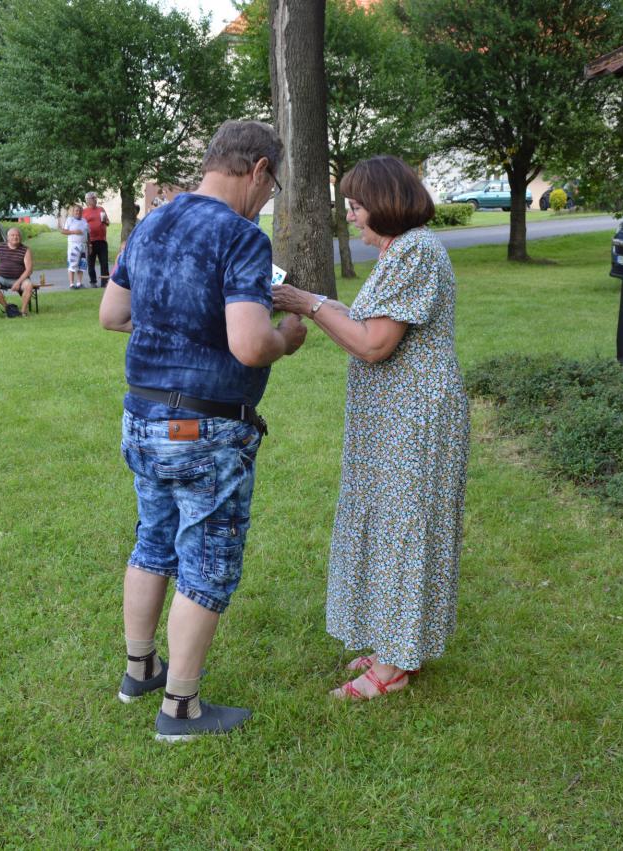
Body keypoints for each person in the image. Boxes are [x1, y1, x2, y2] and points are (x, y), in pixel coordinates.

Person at [98, 119, 306, 741]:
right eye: (271, 187)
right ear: (259, 170)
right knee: (207, 561)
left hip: (143, 418)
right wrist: (287, 338)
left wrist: (180, 322)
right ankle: (181, 708)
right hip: (205, 429)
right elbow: (250, 345)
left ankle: (140, 671)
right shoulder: (241, 237)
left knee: (153, 542)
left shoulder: (151, 223)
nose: (266, 200)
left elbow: (113, 313)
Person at [271, 155, 470, 701]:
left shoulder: (414, 251)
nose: (352, 217)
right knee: (388, 524)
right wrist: (319, 304)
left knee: (404, 529)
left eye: (357, 206)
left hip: (414, 420)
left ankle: (394, 665)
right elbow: (364, 323)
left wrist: (307, 304)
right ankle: (393, 642)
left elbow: (374, 344)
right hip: (394, 419)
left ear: (384, 203)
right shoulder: (400, 251)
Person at [0, 226, 35, 316]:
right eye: (12, 235)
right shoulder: (0, 247)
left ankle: (23, 312)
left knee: (28, 285)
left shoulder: (25, 250)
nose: (15, 237)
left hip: (20, 279)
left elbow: (29, 270)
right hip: (2, 278)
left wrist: (18, 282)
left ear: (20, 237)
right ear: (7, 237)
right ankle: (8, 309)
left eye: (17, 235)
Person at [81, 192, 111, 288]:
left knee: (104, 262)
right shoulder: (84, 212)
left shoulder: (101, 209)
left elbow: (108, 222)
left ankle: (104, 282)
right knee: (91, 263)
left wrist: (105, 221)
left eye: (95, 198)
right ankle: (93, 281)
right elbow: (82, 226)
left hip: (102, 240)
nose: (95, 200)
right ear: (87, 200)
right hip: (90, 241)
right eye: (93, 198)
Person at [62, 205, 89, 289]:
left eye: (80, 211)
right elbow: (63, 231)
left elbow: (88, 234)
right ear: (73, 212)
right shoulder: (70, 220)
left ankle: (79, 283)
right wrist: (74, 232)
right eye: (76, 210)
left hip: (83, 246)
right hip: (74, 245)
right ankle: (71, 284)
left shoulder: (84, 221)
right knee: (72, 264)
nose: (78, 212)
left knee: (82, 264)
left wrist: (90, 245)